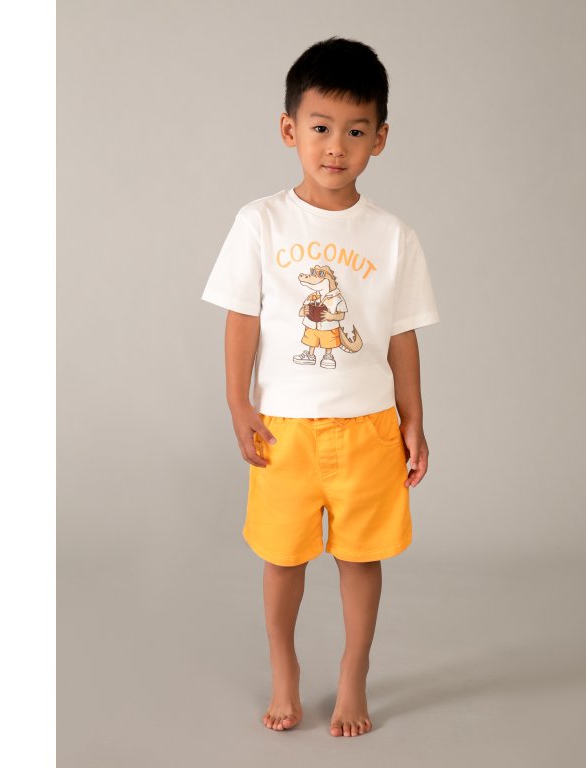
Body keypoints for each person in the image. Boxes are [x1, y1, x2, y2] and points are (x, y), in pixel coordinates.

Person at [200, 36, 441, 738]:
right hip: (285, 428)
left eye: (356, 131)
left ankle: (354, 671)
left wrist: (413, 419)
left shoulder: (393, 237)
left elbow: (402, 336)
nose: (337, 147)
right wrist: (238, 402)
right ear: (290, 129)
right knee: (282, 557)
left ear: (380, 139)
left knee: (361, 557)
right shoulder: (261, 222)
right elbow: (242, 318)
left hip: (368, 428)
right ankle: (285, 670)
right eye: (321, 128)